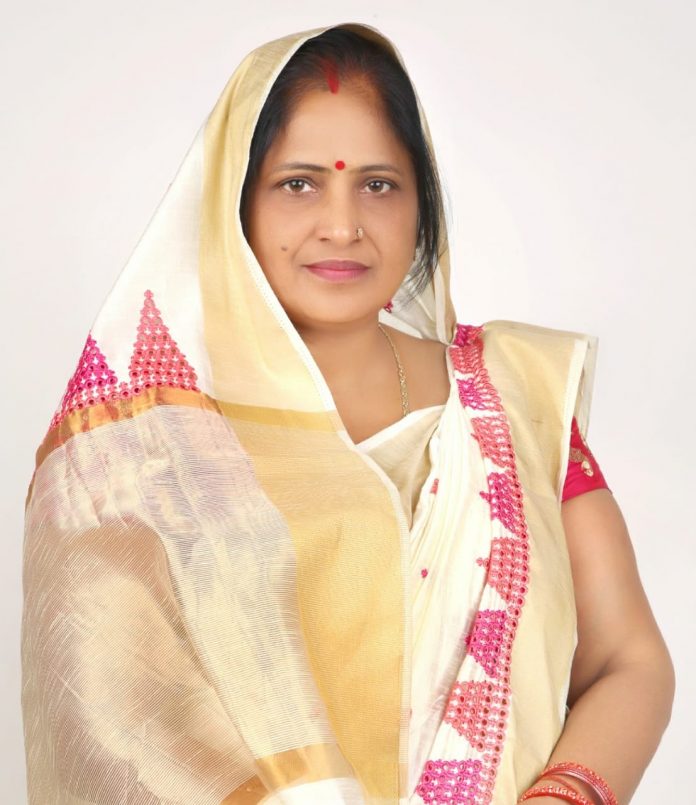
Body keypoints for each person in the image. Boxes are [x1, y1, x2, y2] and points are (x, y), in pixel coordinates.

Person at [20, 22, 674, 805]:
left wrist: (565, 794)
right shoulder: (146, 446)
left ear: (422, 205)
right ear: (234, 203)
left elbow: (629, 659)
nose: (342, 224)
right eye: (299, 183)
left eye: (379, 184)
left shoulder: (514, 395)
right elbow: (116, 724)